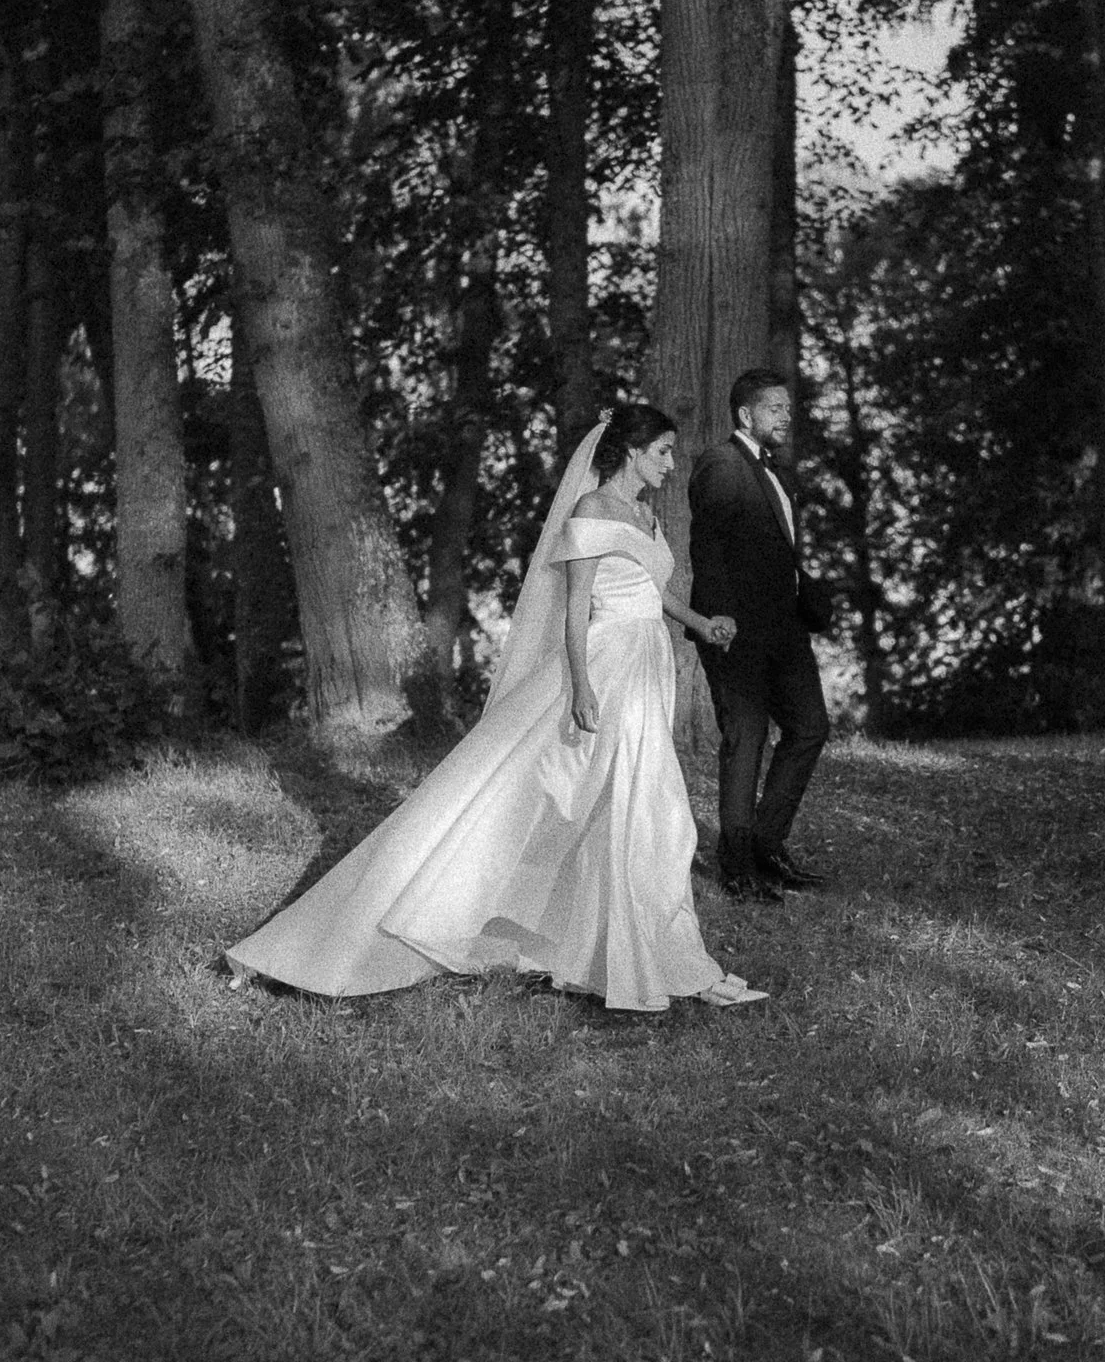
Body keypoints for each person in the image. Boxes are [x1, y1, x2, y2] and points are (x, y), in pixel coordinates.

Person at [222, 405, 770, 1011]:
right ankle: (361, 931)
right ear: (633, 451)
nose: (670, 464)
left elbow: (653, 589)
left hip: (647, 665)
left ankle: (632, 951)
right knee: (590, 799)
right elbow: (577, 608)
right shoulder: (591, 510)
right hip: (606, 664)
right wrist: (582, 686)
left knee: (640, 807)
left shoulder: (646, 515)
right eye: (662, 451)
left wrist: (701, 624)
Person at [689, 368, 832, 899]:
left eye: (788, 408)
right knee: (745, 737)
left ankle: (767, 847)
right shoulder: (721, 464)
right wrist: (718, 620)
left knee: (810, 727)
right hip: (735, 630)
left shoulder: (777, 470)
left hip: (786, 628)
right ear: (746, 414)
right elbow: (708, 547)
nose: (786, 417)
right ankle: (737, 866)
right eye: (775, 408)